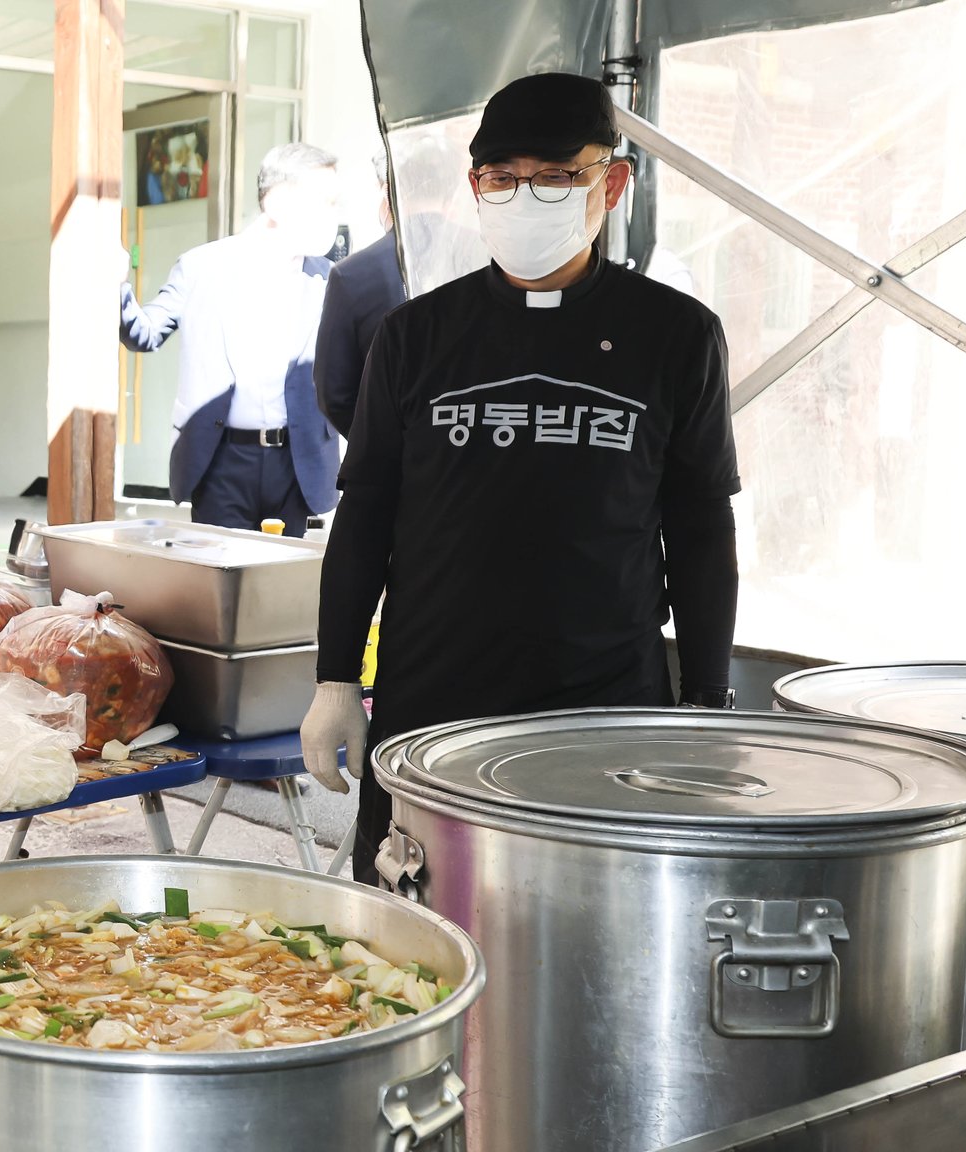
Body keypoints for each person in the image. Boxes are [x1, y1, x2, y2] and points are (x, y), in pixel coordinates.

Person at [298, 73, 740, 880]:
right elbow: (364, 513)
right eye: (502, 180)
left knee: (586, 926)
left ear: (612, 183)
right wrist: (335, 679)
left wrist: (707, 701)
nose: (523, 196)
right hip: (432, 694)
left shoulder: (676, 336)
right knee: (413, 927)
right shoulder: (415, 335)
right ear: (475, 189)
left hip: (604, 703)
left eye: (556, 177)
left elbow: (703, 524)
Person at [119, 142, 343, 536]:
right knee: (221, 584)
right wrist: (114, 284)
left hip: (297, 462)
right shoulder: (202, 267)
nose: (333, 215)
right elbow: (145, 333)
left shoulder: (330, 278)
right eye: (324, 202)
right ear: (276, 203)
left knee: (279, 584)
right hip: (221, 460)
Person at [315, 153, 410, 438]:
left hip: (389, 465)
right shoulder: (481, 262)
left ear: (386, 191)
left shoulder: (352, 274)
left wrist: (378, 447)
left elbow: (334, 393)